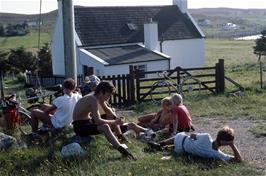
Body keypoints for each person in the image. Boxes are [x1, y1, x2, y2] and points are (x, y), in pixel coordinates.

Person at [72, 81, 136, 159]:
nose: (108, 98)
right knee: (105, 127)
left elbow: (107, 110)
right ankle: (124, 152)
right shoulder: (93, 99)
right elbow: (98, 120)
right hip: (80, 126)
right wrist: (115, 121)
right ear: (101, 92)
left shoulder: (96, 97)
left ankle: (120, 138)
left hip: (86, 122)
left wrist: (116, 119)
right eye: (108, 95)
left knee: (109, 119)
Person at [148, 126, 243, 162]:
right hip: (181, 151)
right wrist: (232, 145)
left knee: (182, 136)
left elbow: (193, 135)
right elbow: (239, 160)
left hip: (181, 140)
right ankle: (165, 148)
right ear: (223, 142)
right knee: (186, 146)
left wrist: (196, 139)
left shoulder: (206, 137)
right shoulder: (217, 154)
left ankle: (160, 144)